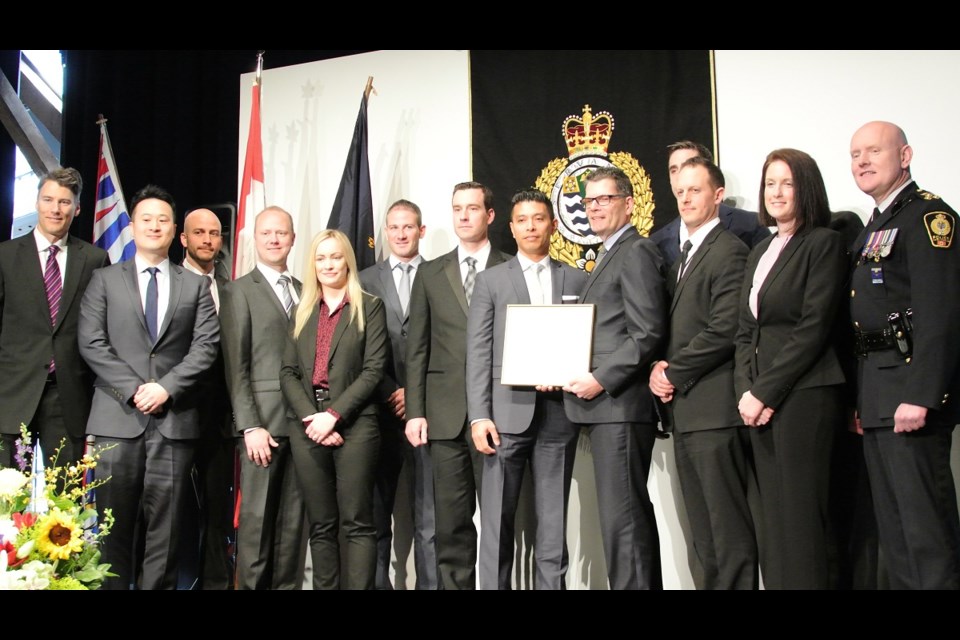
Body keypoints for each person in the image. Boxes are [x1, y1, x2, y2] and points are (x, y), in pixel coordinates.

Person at [78, 184, 219, 589]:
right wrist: (139, 388)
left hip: (174, 424)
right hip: (116, 422)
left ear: (175, 231)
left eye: (162, 220)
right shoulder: (104, 280)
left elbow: (206, 346)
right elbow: (91, 342)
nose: (154, 226)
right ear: (133, 225)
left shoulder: (194, 286)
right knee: (110, 528)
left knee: (168, 532)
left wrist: (166, 388)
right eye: (146, 219)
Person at [848, 120, 960, 589]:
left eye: (874, 151)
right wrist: (863, 400)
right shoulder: (875, 224)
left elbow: (942, 312)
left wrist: (922, 394)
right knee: (895, 538)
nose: (863, 161)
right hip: (879, 396)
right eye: (855, 155)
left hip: (911, 397)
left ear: (906, 156)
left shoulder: (928, 218)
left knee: (925, 535)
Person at [733, 149, 847, 589]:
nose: (776, 192)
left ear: (806, 189)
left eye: (787, 183)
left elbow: (812, 328)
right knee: (774, 523)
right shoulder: (760, 249)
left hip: (804, 397)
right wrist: (746, 391)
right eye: (769, 183)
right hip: (757, 403)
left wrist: (764, 393)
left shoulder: (823, 242)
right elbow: (746, 330)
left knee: (801, 522)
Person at [467, 189, 586, 590]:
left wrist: (568, 373)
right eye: (523, 220)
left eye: (539, 218)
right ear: (512, 227)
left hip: (558, 416)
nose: (532, 226)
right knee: (497, 525)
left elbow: (586, 345)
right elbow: (479, 353)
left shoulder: (577, 278)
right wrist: (479, 415)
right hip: (504, 417)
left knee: (553, 525)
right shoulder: (490, 281)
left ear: (553, 224)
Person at [649, 157, 757, 589]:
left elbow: (724, 329)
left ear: (717, 195)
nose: (686, 198)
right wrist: (659, 365)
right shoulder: (682, 254)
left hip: (715, 411)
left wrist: (673, 372)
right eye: (680, 191)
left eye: (696, 190)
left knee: (726, 529)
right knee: (703, 533)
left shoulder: (729, 250)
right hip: (688, 414)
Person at [561, 166, 668, 590]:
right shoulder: (608, 252)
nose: (595, 208)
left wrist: (601, 379)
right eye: (589, 201)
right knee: (619, 523)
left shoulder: (636, 251)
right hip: (605, 410)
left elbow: (647, 333)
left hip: (620, 407)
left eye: (605, 199)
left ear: (628, 202)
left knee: (624, 522)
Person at [405, 181, 512, 589]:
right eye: (457, 209)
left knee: (499, 522)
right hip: (445, 418)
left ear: (490, 215)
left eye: (472, 208)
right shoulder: (430, 272)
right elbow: (417, 349)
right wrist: (415, 411)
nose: (463, 216)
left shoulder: (509, 266)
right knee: (451, 525)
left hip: (499, 416)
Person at [279, 229, 388, 589]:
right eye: (321, 257)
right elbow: (288, 371)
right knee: (321, 524)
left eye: (335, 256)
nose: (328, 264)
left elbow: (373, 371)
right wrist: (313, 418)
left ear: (347, 261)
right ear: (313, 264)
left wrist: (334, 416)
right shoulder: (302, 309)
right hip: (308, 424)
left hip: (355, 425)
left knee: (357, 522)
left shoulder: (369, 307)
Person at [220, 206, 306, 590]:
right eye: (267, 233)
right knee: (256, 524)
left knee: (293, 526)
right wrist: (249, 424)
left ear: (292, 237)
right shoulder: (239, 291)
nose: (274, 239)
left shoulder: (306, 290)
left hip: (303, 425)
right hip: (262, 428)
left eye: (282, 233)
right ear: (255, 239)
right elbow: (235, 367)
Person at [0, 168, 109, 467]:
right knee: (7, 501)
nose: (56, 209)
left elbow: (101, 330)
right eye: (48, 199)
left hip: (68, 399)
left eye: (64, 202)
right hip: (11, 397)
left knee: (65, 503)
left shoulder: (95, 260)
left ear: (77, 209)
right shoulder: (5, 257)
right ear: (37, 203)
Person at [359, 199, 439, 590]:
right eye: (395, 227)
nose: (402, 234)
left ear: (421, 231)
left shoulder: (441, 275)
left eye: (409, 227)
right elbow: (356, 349)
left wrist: (417, 394)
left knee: (429, 516)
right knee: (375, 514)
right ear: (385, 233)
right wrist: (393, 390)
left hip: (429, 412)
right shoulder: (362, 280)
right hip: (377, 409)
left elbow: (446, 344)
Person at [179, 208, 234, 589]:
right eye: (199, 232)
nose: (207, 240)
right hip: (175, 413)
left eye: (214, 233)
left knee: (218, 508)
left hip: (221, 417)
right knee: (173, 509)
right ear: (183, 239)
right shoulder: (167, 283)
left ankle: (214, 581)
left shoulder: (230, 288)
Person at [650, 141, 770, 264]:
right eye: (674, 170)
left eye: (690, 165)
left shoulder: (750, 225)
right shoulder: (657, 242)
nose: (682, 174)